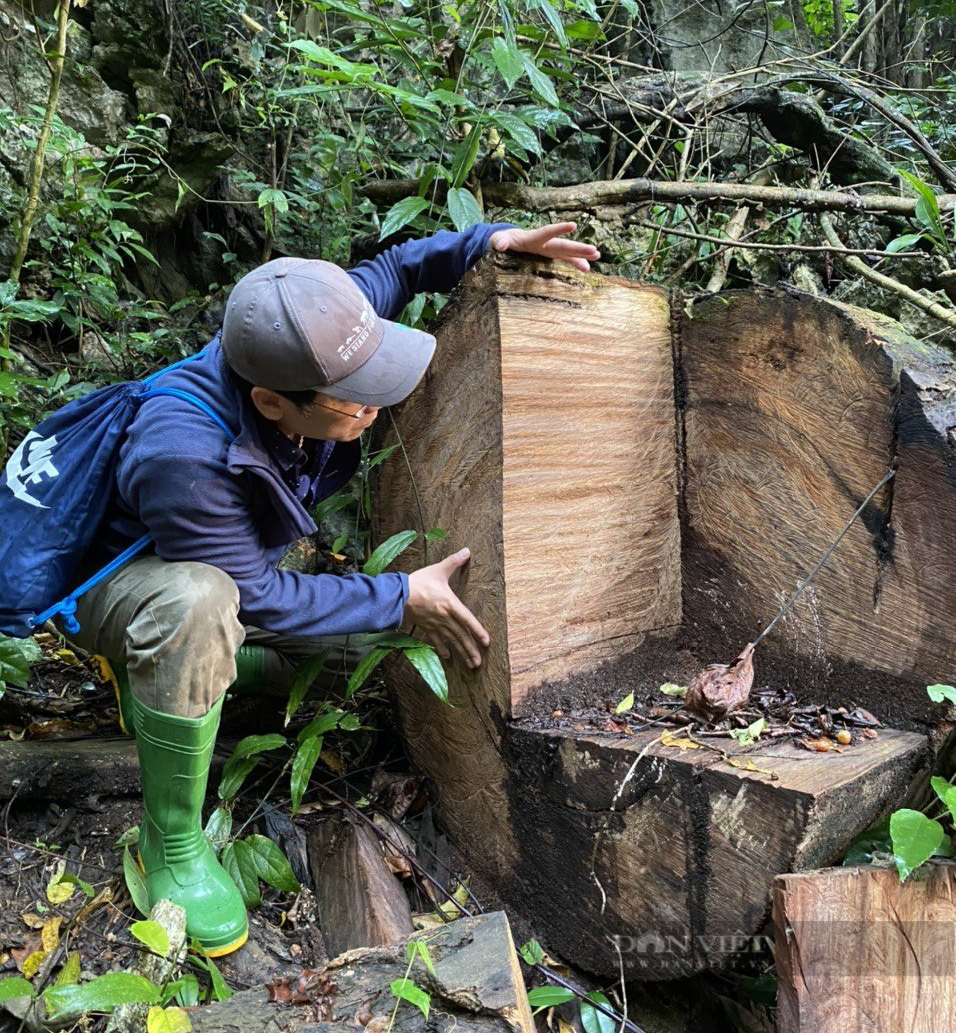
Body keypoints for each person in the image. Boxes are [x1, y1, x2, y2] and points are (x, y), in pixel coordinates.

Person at [56, 219, 600, 956]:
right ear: (273, 402)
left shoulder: (311, 334)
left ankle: (173, 675)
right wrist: (400, 595)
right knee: (200, 607)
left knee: (350, 668)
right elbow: (257, 599)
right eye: (354, 403)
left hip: (217, 570)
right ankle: (171, 840)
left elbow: (398, 267)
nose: (373, 405)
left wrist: (489, 243)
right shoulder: (181, 453)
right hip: (116, 586)